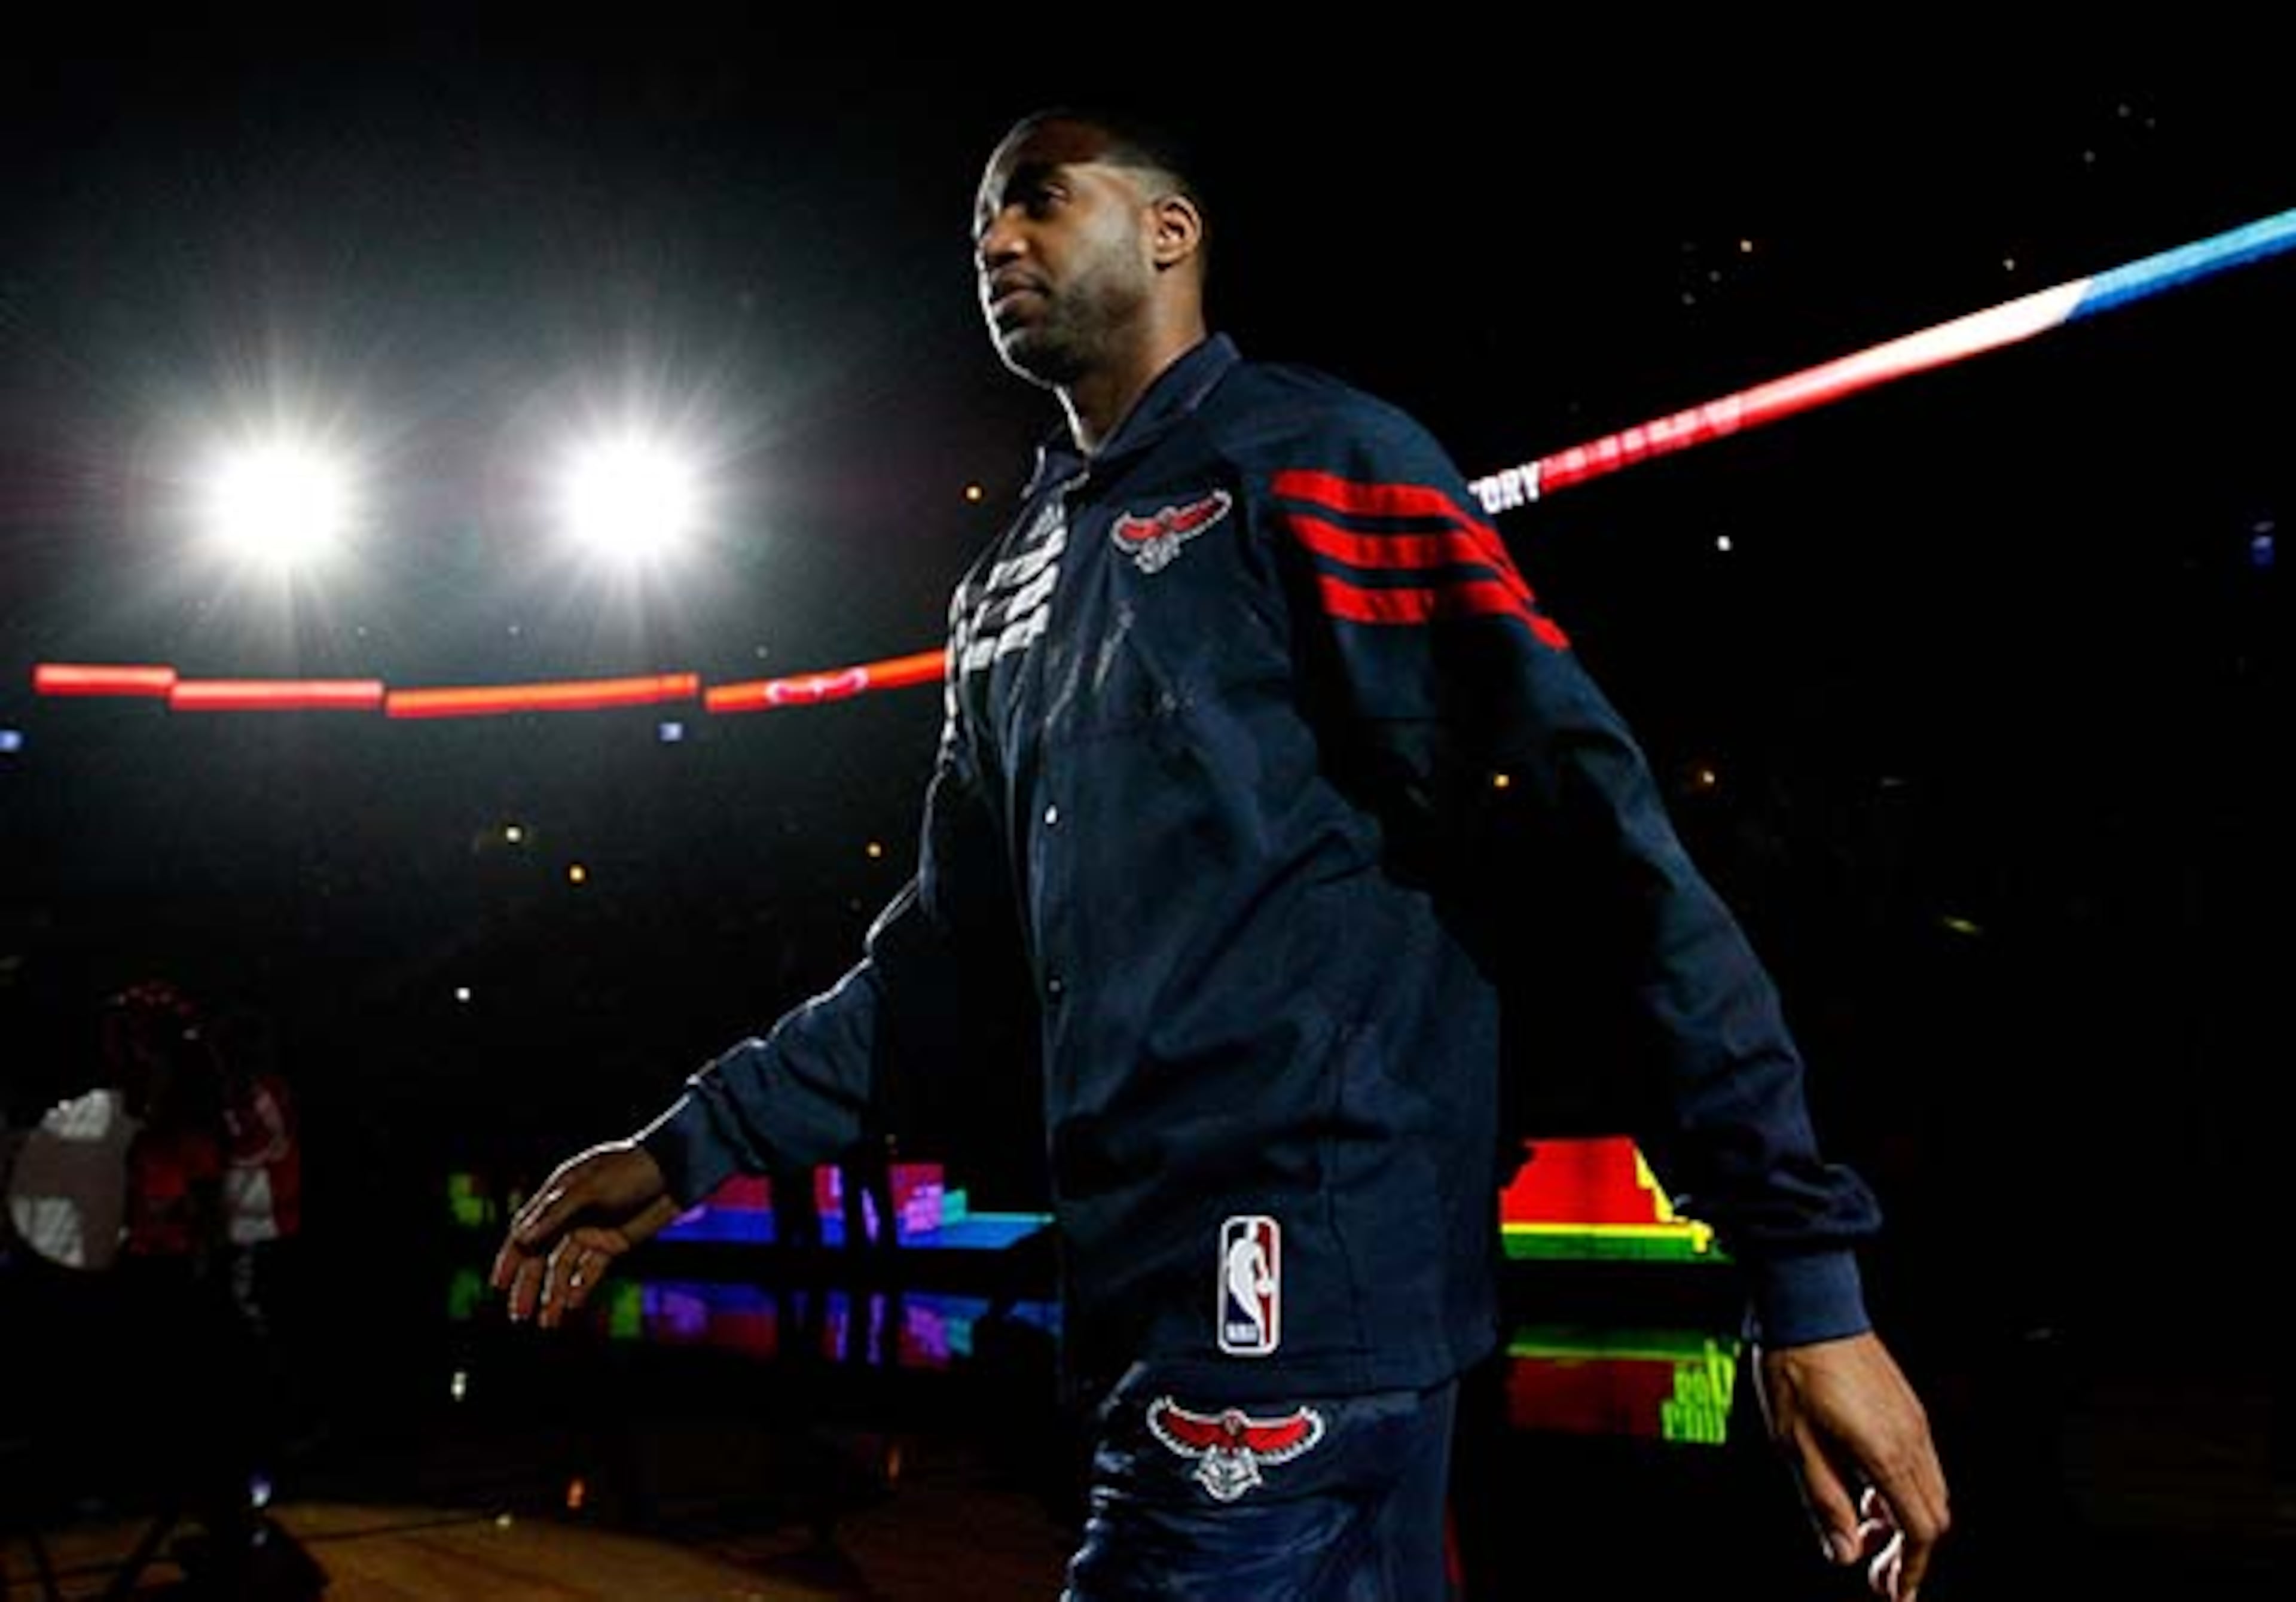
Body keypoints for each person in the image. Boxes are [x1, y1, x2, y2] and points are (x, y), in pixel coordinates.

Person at [493, 103, 1950, 1599]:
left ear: (1169, 230)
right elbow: (947, 964)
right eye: (980, 222)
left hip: (1293, 1312)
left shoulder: (1323, 463)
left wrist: (1802, 1273)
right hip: (1139, 1313)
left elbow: (1597, 842)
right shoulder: (1007, 585)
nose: (995, 241)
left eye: (1039, 198)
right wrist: (690, 1145)